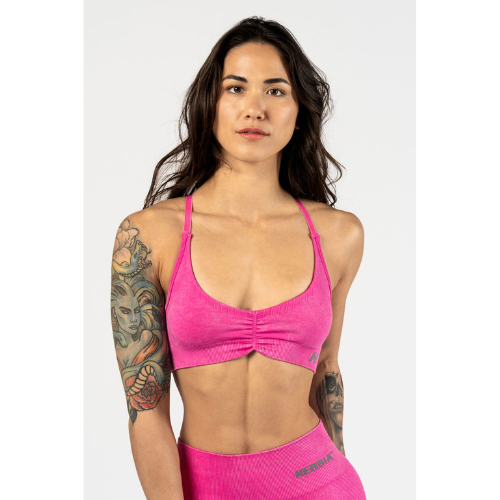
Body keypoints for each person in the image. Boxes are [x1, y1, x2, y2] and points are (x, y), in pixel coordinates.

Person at [110, 16, 366, 500]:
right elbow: (145, 409)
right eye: (236, 88)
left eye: (275, 91)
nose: (255, 108)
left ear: (299, 111)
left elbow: (327, 368)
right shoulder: (147, 236)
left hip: (319, 482)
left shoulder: (339, 235)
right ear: (211, 103)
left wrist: (339, 461)